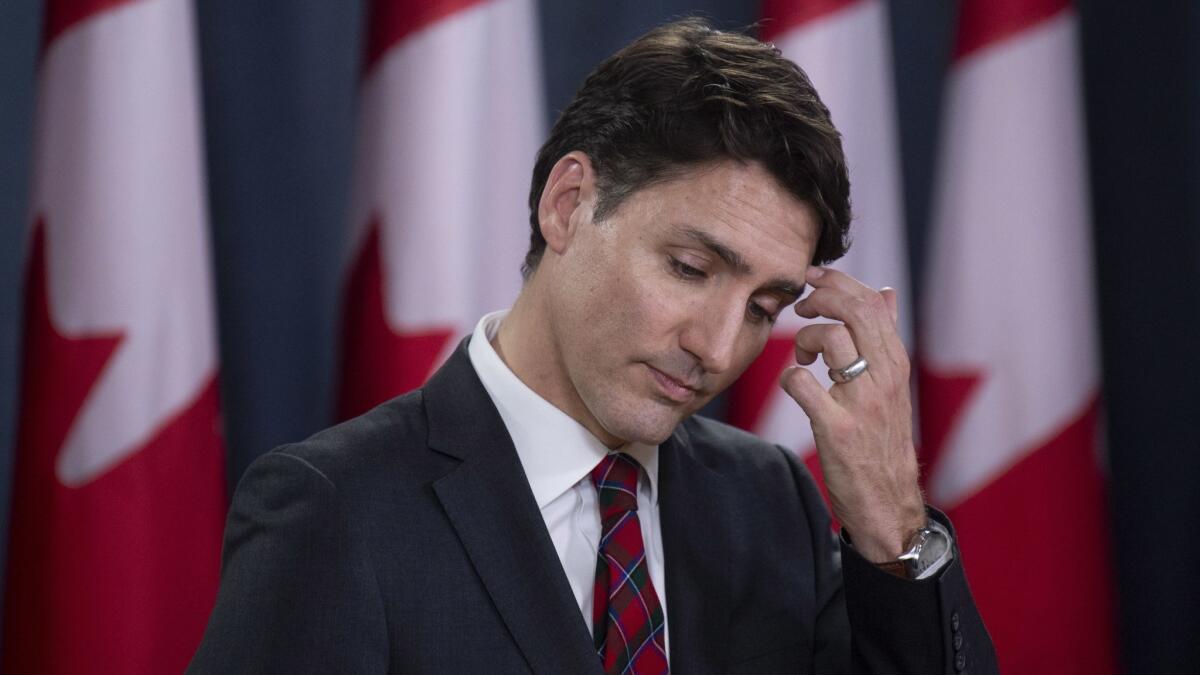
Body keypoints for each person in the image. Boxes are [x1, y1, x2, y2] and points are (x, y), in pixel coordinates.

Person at [189, 18, 997, 674]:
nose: (715, 347)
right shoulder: (335, 511)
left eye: (763, 305)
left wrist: (891, 518)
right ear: (568, 204)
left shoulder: (769, 503)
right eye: (689, 267)